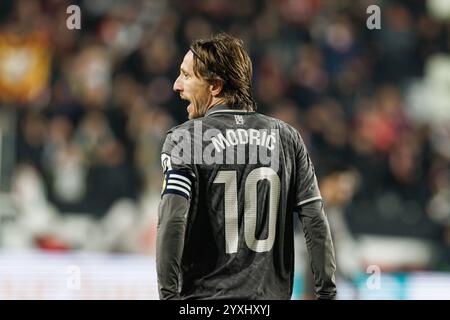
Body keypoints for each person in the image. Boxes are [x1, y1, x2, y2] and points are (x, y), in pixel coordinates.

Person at [156, 33, 337, 300]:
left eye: (186, 76)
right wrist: (327, 295)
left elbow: (172, 220)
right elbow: (316, 223)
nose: (176, 86)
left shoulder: (186, 139)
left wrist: (169, 297)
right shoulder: (287, 138)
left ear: (215, 87)